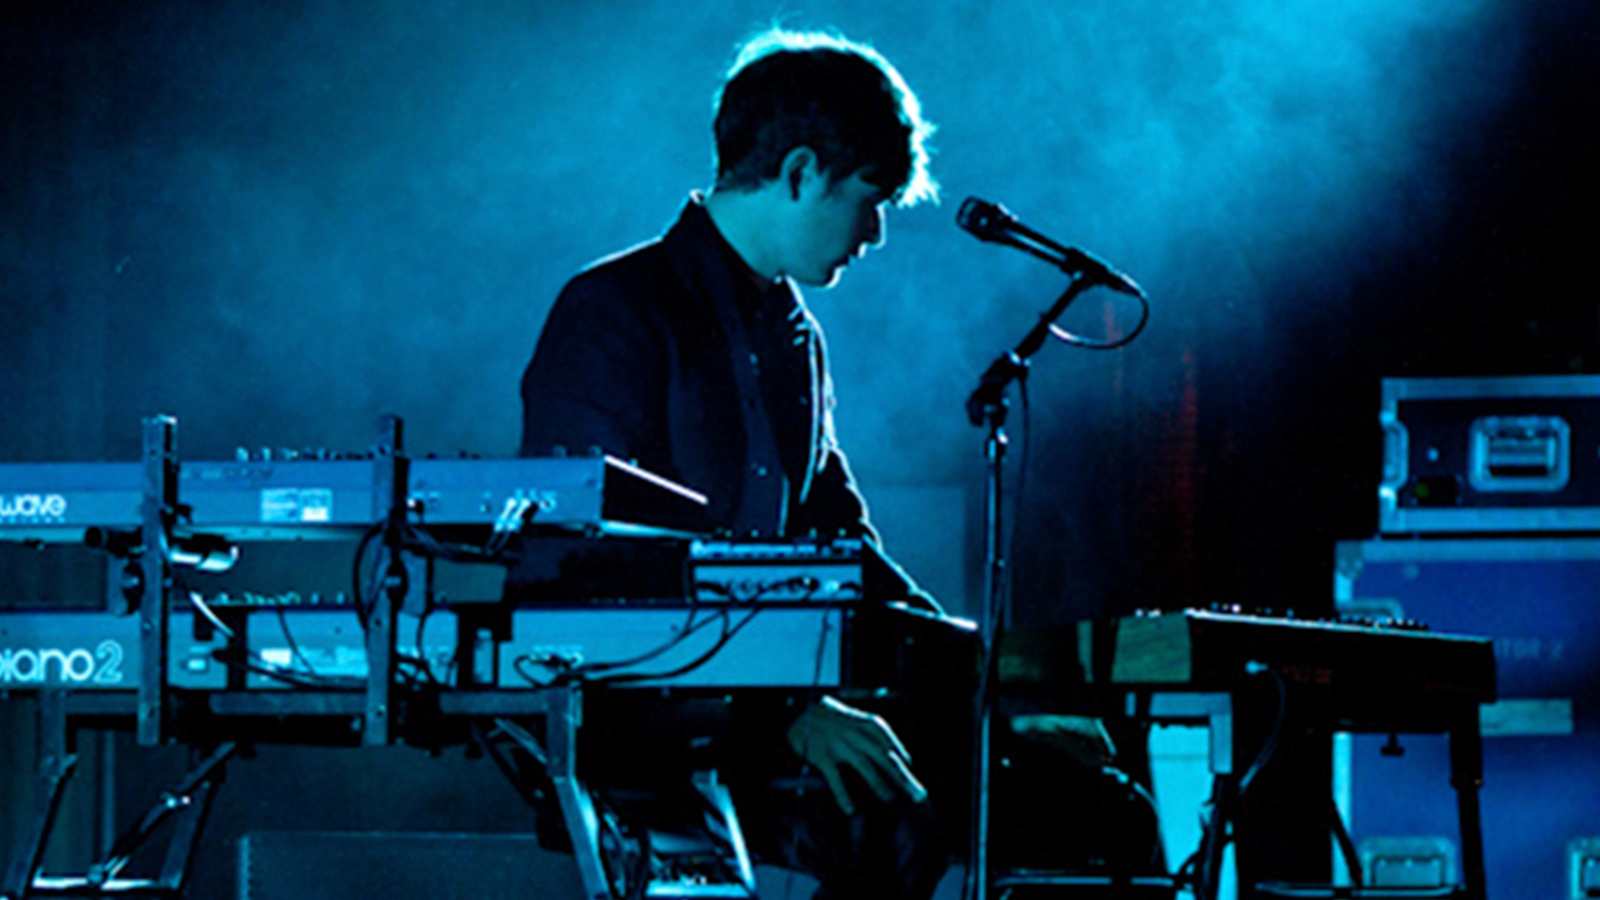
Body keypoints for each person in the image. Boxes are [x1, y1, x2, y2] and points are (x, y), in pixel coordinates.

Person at [515, 27, 954, 900]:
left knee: (1043, 781)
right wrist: (786, 711)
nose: (873, 234)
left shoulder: (798, 339)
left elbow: (844, 545)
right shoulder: (614, 311)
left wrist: (993, 677)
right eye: (870, 200)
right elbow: (580, 570)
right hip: (643, 715)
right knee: (888, 819)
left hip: (758, 705)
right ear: (798, 173)